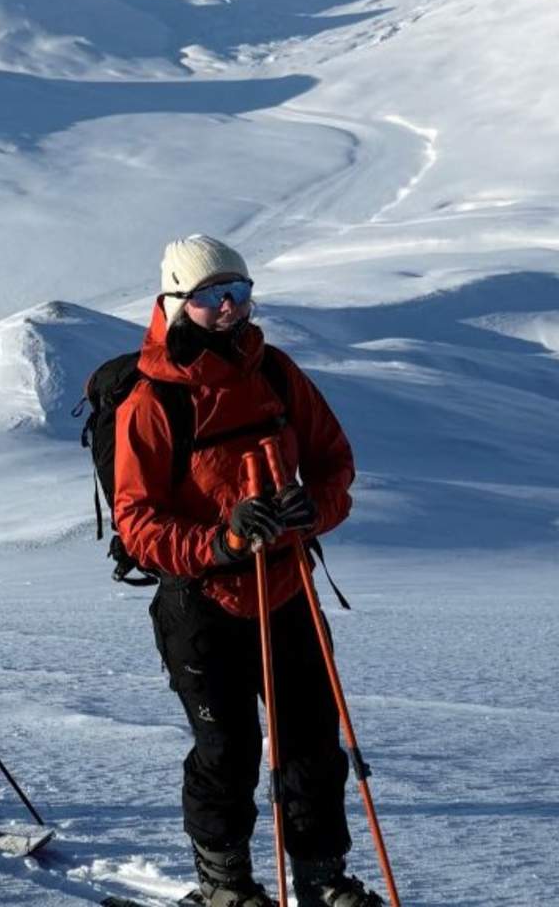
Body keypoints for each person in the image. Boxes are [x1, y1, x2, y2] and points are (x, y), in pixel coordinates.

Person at [111, 236, 381, 907]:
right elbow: (137, 522)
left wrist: (309, 510)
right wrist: (221, 541)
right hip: (202, 605)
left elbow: (334, 463)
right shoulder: (153, 401)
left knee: (313, 746)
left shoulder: (278, 373)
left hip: (287, 589)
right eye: (210, 297)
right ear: (175, 303)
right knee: (226, 753)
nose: (229, 308)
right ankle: (226, 887)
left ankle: (321, 881)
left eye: (240, 292)